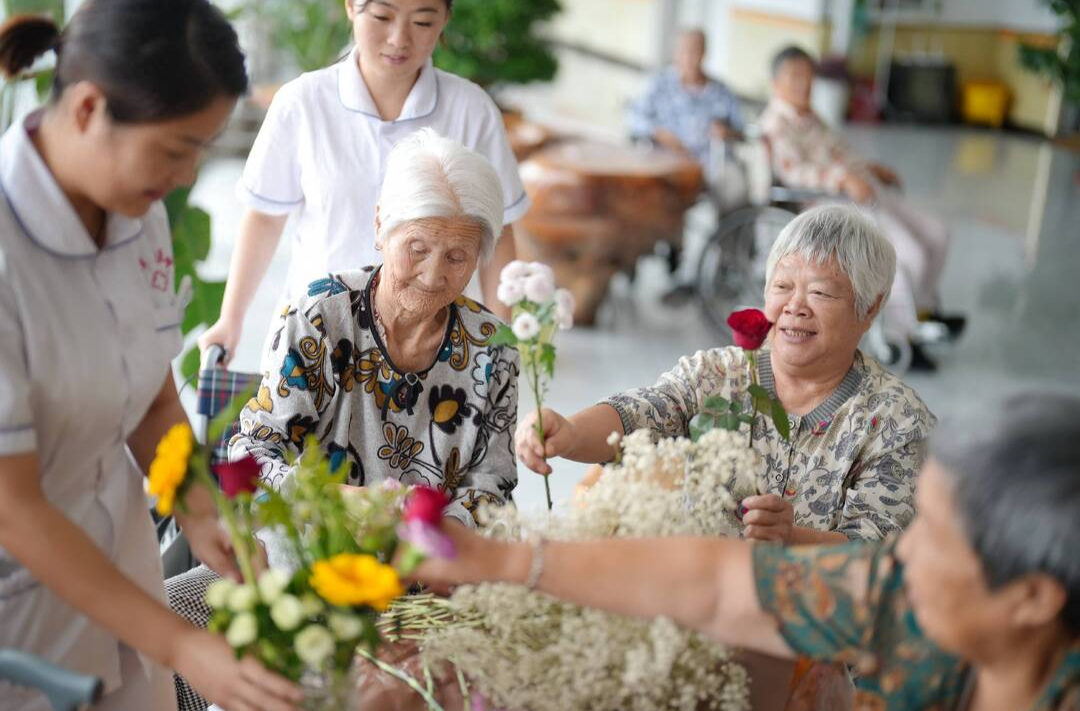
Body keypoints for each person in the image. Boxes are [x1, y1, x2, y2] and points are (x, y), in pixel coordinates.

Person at [0, 3, 302, 710]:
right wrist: (184, 642)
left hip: (125, 572)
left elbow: (152, 396)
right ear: (87, 109)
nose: (184, 174)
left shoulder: (137, 209)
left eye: (201, 149)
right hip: (23, 601)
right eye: (173, 149)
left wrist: (199, 505)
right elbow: (14, 507)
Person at [417, 390, 1080, 711]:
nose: (904, 551)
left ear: (1032, 596)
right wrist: (504, 563)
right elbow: (719, 581)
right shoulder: (905, 599)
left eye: (935, 536)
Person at [168, 129, 519, 710]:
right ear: (381, 226)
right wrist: (332, 500)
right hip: (294, 567)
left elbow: (493, 491)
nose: (434, 276)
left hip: (425, 588)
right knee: (158, 623)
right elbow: (252, 454)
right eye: (417, 248)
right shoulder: (321, 314)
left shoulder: (493, 349)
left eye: (458, 256)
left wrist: (420, 542)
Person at [517, 205, 935, 543]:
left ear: (870, 307)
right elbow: (638, 415)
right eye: (782, 286)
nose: (795, 306)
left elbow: (878, 551)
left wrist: (793, 538)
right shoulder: (718, 375)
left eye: (821, 293)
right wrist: (568, 433)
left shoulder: (896, 422)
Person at [198, 0, 530, 364]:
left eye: (422, 21)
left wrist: (502, 338)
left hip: (429, 349)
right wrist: (230, 319)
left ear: (445, 20)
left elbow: (498, 233)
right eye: (383, 17)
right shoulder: (303, 102)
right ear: (352, 7)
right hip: (316, 336)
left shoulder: (472, 110)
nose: (398, 39)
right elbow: (264, 217)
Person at [761, 45, 965, 371]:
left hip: (863, 190)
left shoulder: (810, 117)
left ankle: (925, 312)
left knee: (937, 234)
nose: (804, 84)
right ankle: (903, 337)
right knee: (909, 254)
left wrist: (868, 167)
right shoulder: (776, 124)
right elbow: (794, 172)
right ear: (775, 83)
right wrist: (843, 178)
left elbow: (841, 152)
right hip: (832, 205)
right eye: (795, 76)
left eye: (808, 76)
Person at [627, 28, 743, 165]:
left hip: (708, 169)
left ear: (705, 53)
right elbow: (633, 118)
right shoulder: (659, 84)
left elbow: (742, 131)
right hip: (665, 163)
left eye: (695, 51)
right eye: (683, 51)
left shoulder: (722, 92)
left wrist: (727, 133)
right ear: (675, 54)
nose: (688, 58)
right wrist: (658, 133)